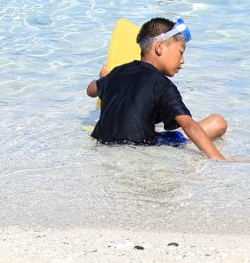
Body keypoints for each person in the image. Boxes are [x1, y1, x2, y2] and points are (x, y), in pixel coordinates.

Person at [86, 17, 227, 159]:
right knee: (218, 122)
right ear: (159, 47)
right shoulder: (163, 85)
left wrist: (105, 77)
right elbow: (189, 126)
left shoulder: (117, 73)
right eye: (181, 51)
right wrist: (220, 160)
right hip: (140, 148)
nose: (182, 60)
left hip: (102, 141)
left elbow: (90, 90)